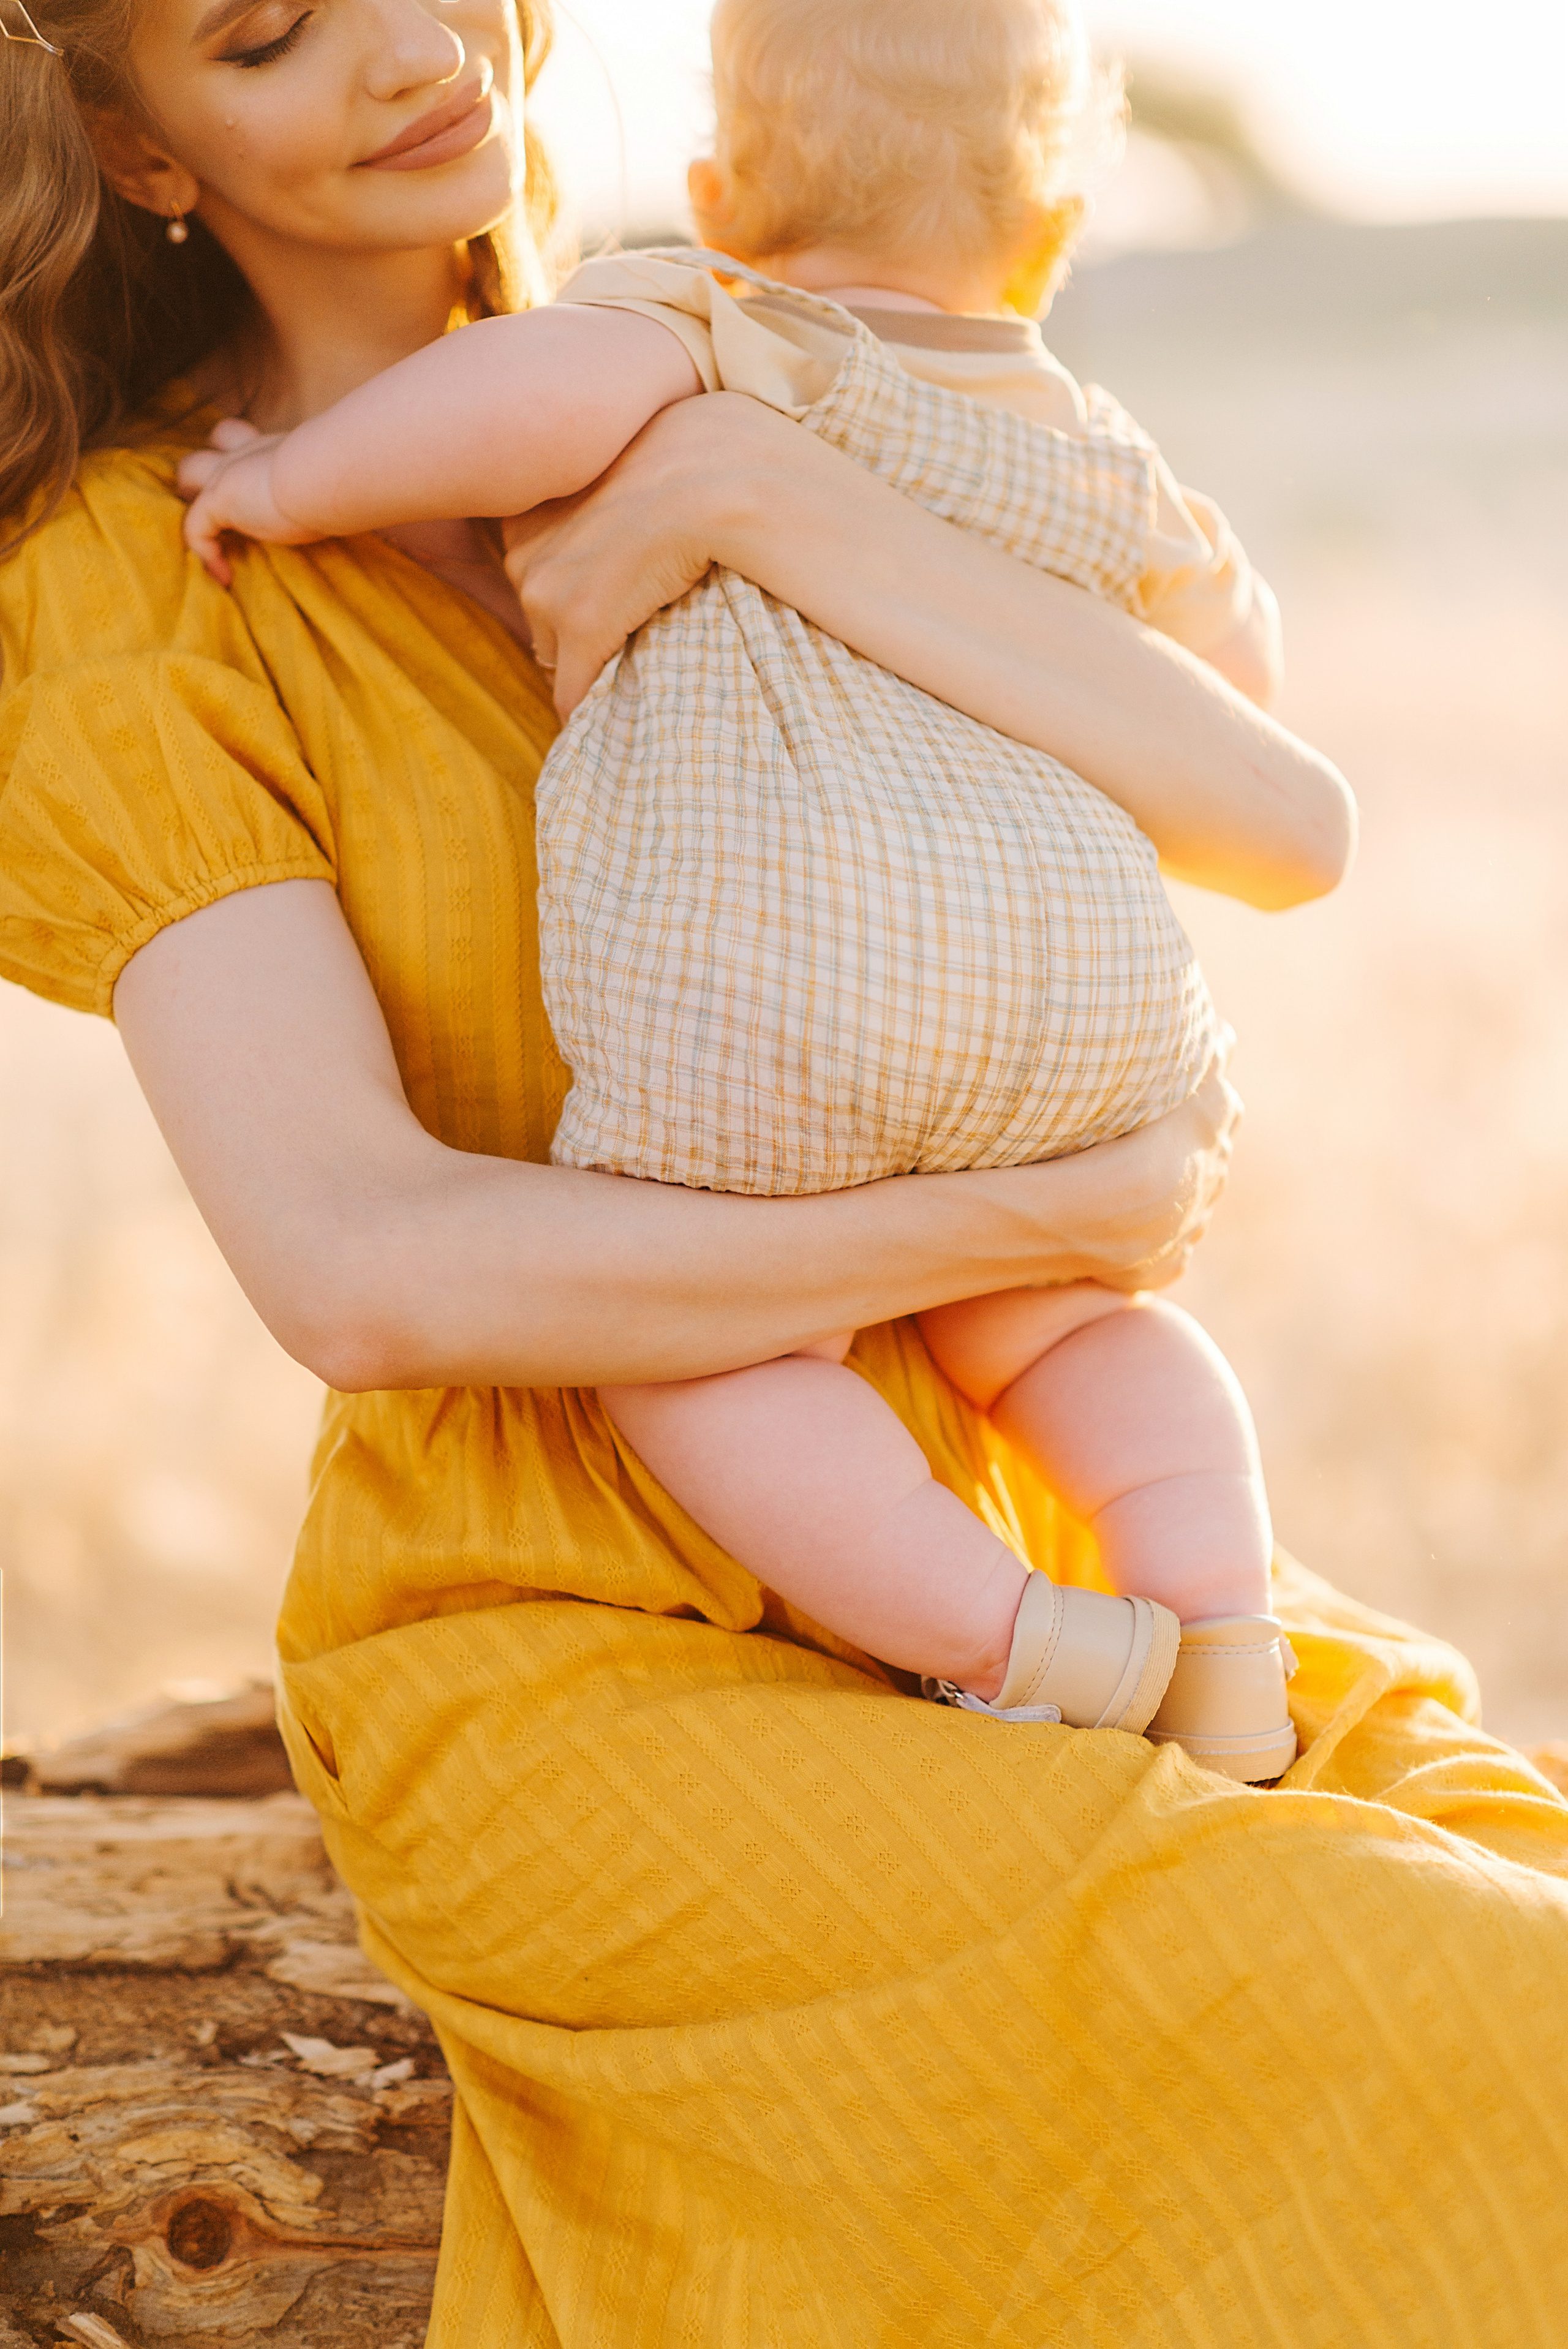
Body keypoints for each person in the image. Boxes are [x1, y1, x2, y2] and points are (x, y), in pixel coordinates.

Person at [1, 1, 1565, 2343]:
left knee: (1510, 1898)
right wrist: (1005, 1228)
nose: (414, 47)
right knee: (1444, 2010)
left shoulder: (754, 359)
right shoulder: (146, 574)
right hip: (562, 1640)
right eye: (266, 33)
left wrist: (762, 489)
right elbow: (362, 1268)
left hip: (996, 1529)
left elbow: (1285, 823)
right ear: (136, 143)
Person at [176, 0, 1304, 1778]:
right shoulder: (1101, 447)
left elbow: (517, 399)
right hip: (1077, 1017)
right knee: (1084, 1322)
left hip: (791, 997)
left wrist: (289, 479)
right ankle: (1226, 1627)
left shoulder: (713, 316)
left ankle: (1030, 1643)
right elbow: (1236, 688)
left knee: (711, 1352)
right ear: (1052, 226)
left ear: (719, 188)